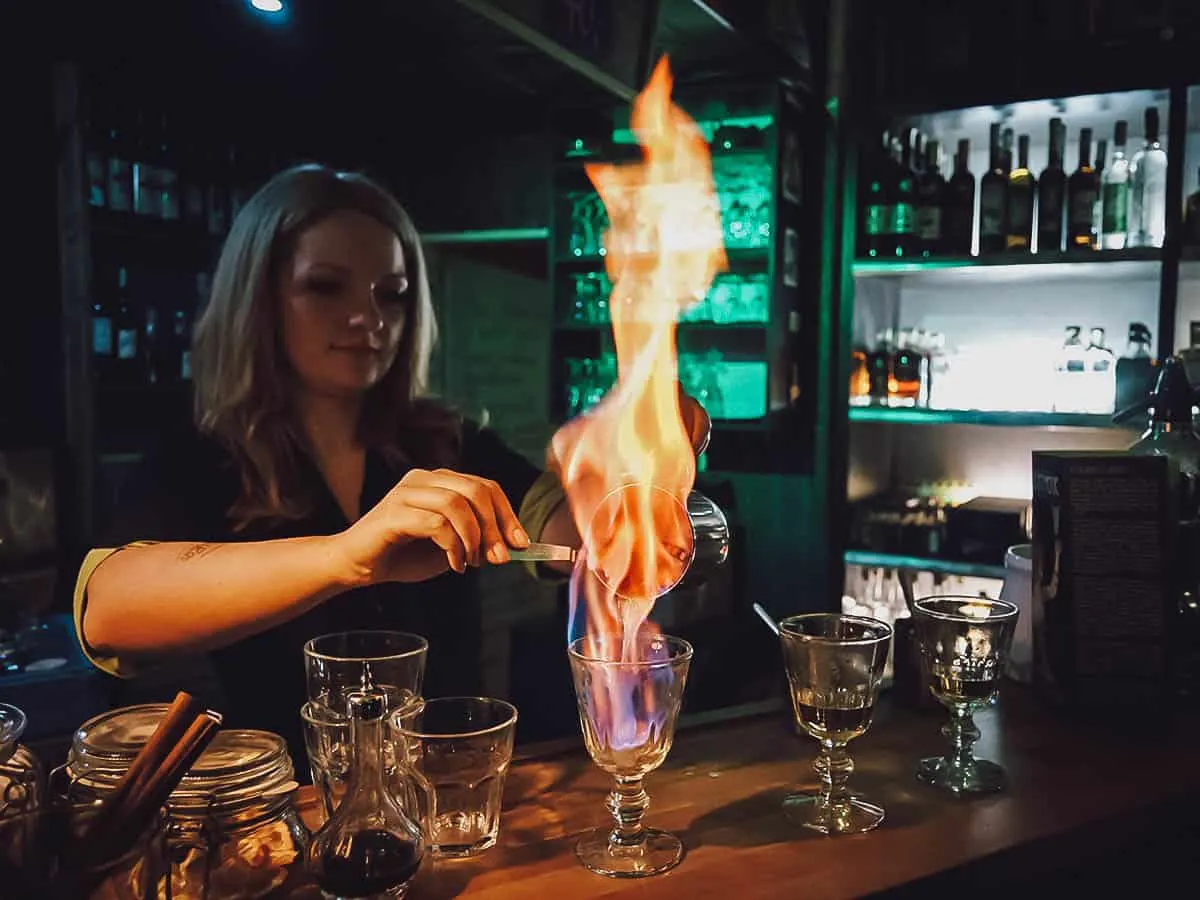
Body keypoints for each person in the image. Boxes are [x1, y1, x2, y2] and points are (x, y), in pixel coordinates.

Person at [73, 164, 709, 760]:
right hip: (295, 818)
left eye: (393, 294)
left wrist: (636, 478)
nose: (367, 317)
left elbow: (569, 530)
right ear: (260, 297)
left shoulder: (445, 443)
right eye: (325, 287)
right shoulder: (205, 455)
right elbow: (106, 612)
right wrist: (345, 556)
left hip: (454, 796)